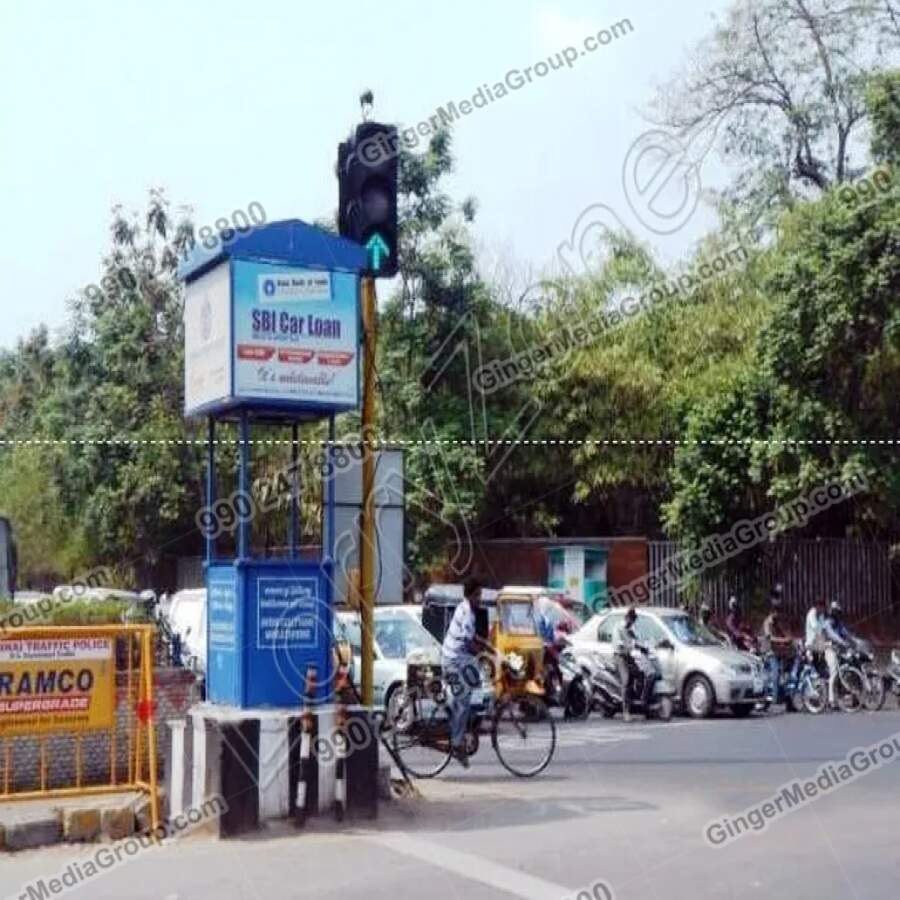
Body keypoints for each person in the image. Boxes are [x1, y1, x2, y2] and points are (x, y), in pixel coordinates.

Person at [441, 576, 490, 766]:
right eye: (477, 595)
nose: (480, 598)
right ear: (470, 595)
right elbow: (469, 644)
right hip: (452, 660)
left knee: (473, 683)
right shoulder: (468, 612)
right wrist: (484, 654)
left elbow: (471, 637)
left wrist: (487, 645)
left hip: (458, 658)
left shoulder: (464, 607)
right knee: (463, 698)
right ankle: (456, 742)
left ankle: (459, 723)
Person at [612, 608, 650, 722]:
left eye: (633, 621)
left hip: (629, 656)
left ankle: (640, 704)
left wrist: (644, 647)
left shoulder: (632, 629)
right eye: (631, 620)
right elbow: (619, 645)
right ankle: (626, 711)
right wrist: (630, 646)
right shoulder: (618, 628)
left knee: (641, 674)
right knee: (626, 680)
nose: (631, 623)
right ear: (627, 618)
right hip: (620, 656)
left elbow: (638, 640)